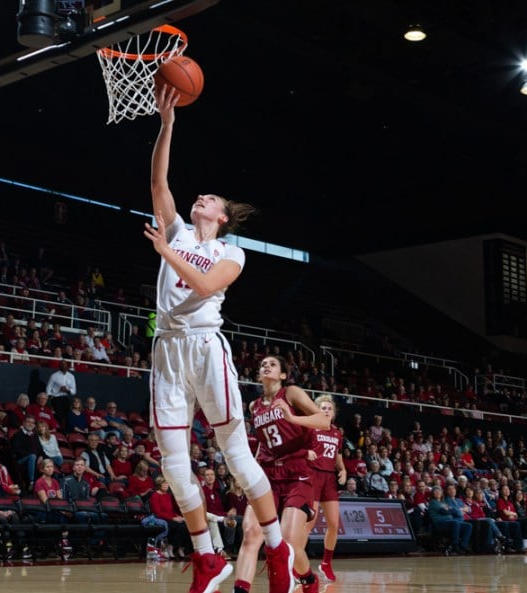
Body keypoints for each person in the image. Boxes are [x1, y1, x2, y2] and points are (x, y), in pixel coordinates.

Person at [143, 83, 295, 593]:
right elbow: (158, 180)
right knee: (172, 463)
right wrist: (167, 126)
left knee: (235, 455)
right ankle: (207, 557)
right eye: (200, 196)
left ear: (222, 216)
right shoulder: (179, 230)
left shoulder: (233, 252)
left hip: (207, 347)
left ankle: (278, 550)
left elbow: (207, 286)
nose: (199, 197)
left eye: (209, 198)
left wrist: (165, 252)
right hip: (166, 348)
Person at [230, 355, 329, 593]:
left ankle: (307, 579)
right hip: (267, 473)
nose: (266, 366)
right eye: (263, 364)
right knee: (251, 534)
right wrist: (247, 474)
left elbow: (324, 421)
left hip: (297, 472)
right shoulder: (254, 406)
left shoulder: (291, 393)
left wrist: (291, 417)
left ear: (283, 375)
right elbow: (263, 444)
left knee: (289, 540)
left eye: (272, 364)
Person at [303, 394, 346, 582]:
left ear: (333, 413)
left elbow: (337, 455)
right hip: (312, 475)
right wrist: (307, 452)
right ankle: (298, 564)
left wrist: (343, 469)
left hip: (329, 479)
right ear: (317, 410)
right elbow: (296, 447)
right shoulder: (310, 429)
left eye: (329, 408)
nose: (326, 410)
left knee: (334, 525)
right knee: (308, 524)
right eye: (323, 407)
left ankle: (326, 563)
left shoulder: (337, 433)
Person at [427, 485, 472, 555]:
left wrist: (452, 510)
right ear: (432, 493)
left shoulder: (443, 502)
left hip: (448, 522)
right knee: (455, 523)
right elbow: (446, 512)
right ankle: (454, 545)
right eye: (435, 491)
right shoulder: (433, 502)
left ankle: (463, 545)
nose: (437, 492)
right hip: (439, 524)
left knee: (468, 526)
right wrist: (452, 510)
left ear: (442, 493)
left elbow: (452, 510)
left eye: (439, 491)